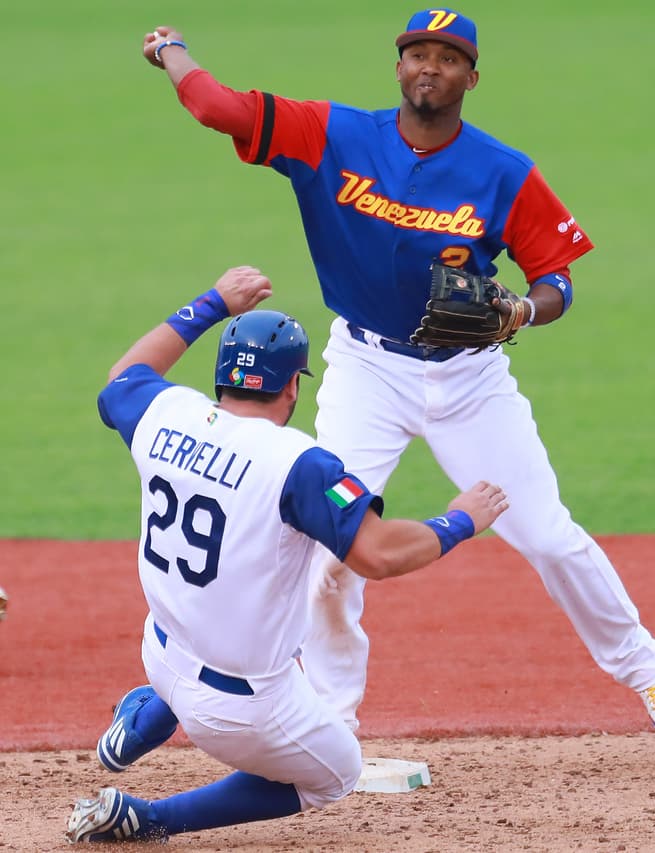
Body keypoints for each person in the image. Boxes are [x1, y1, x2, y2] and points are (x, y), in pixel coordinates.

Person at [139, 8, 655, 747]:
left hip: (472, 382)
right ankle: (332, 716)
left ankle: (648, 667)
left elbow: (558, 280)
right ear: (398, 67)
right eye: (417, 53)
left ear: (471, 76)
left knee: (549, 537)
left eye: (448, 55)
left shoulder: (503, 171)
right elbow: (219, 108)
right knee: (332, 555)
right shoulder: (332, 134)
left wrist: (521, 311)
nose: (430, 66)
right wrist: (173, 52)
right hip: (366, 371)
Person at [67, 266, 508, 843]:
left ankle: (147, 719)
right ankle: (150, 817)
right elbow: (376, 554)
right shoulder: (298, 464)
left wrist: (214, 301)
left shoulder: (165, 413)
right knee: (337, 773)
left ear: (223, 377)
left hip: (159, 648)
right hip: (238, 712)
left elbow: (125, 375)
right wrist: (459, 521)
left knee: (233, 618)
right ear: (293, 388)